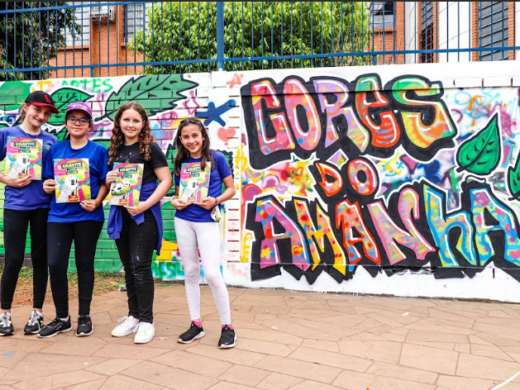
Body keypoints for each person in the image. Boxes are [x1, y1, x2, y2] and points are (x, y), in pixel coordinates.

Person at [39, 102, 109, 338]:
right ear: (66, 123)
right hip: (58, 216)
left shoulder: (99, 151)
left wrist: (97, 201)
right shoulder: (55, 150)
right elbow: (48, 181)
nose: (77, 123)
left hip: (88, 216)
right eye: (73, 119)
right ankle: (62, 318)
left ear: (90, 125)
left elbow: (104, 183)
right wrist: (48, 186)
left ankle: (84, 316)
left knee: (84, 265)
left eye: (83, 120)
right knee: (56, 264)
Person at [106, 102, 172, 344]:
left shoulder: (151, 149)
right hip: (121, 213)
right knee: (128, 267)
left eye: (136, 120)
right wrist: (109, 177)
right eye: (126, 120)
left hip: (143, 213)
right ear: (119, 123)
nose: (131, 124)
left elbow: (166, 180)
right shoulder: (115, 150)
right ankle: (133, 316)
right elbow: (112, 184)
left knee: (140, 266)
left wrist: (146, 205)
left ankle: (146, 321)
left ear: (143, 123)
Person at [171, 117, 237, 349]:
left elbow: (231, 188)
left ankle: (227, 326)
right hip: (183, 221)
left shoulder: (217, 158)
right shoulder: (180, 161)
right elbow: (179, 193)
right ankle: (196, 324)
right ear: (181, 139)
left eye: (195, 135)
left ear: (203, 135)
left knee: (211, 273)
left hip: (207, 220)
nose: (191, 141)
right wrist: (175, 201)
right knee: (189, 271)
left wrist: (215, 200)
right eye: (186, 137)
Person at [0, 91, 59, 336]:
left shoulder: (51, 141)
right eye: (37, 110)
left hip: (43, 208)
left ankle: (37, 313)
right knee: (13, 259)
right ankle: (4, 314)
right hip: (15, 206)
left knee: (40, 260)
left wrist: (52, 183)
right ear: (25, 107)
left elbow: (56, 174)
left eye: (46, 113)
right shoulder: (6, 134)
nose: (41, 116)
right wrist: (7, 181)